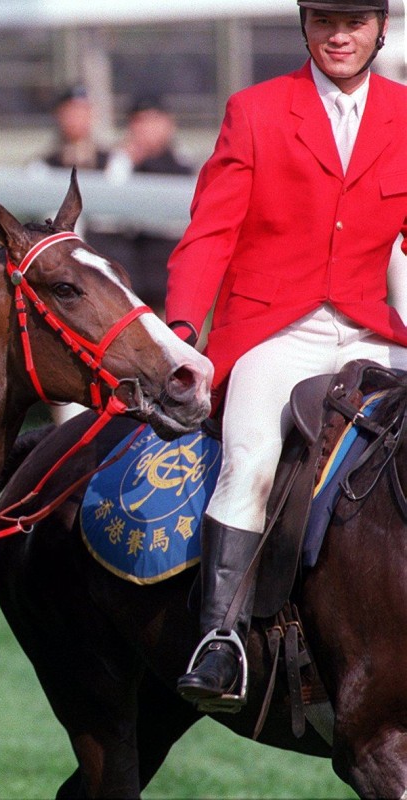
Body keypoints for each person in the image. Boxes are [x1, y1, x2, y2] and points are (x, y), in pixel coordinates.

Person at [166, 0, 407, 711]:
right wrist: (182, 330)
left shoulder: (406, 113)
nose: (340, 35)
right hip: (275, 329)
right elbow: (211, 234)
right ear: (304, 24)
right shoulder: (256, 110)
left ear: (380, 28)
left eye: (355, 21)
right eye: (326, 19)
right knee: (252, 464)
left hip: (371, 329)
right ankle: (221, 640)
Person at [94, 94, 195, 308]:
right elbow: (104, 212)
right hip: (132, 268)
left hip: (169, 265)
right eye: (139, 121)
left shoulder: (182, 161)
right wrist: (125, 160)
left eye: (152, 121)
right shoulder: (117, 161)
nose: (144, 129)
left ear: (168, 124)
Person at [38, 84, 111, 171]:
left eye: (83, 111)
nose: (77, 117)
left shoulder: (113, 164)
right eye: (72, 111)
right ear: (59, 115)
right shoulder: (43, 167)